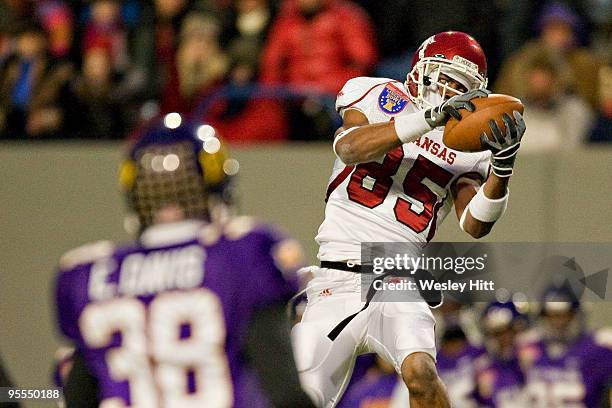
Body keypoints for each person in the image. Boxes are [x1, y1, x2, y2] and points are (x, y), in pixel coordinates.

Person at [291, 31, 527, 408]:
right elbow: (349, 147)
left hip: (396, 277)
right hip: (336, 276)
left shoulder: (469, 147)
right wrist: (428, 119)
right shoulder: (375, 94)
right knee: (302, 397)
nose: (451, 91)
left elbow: (475, 223)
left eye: (462, 86)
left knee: (421, 373)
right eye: (446, 78)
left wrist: (502, 168)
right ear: (420, 70)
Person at [53, 116, 315, 408]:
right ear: (214, 183)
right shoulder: (240, 254)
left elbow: (79, 397)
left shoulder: (92, 274)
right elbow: (284, 392)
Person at [519, 283, 612, 408]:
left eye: (563, 316)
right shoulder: (527, 347)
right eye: (551, 316)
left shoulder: (597, 348)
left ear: (575, 315)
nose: (557, 323)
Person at [473, 301, 529, 408]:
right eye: (497, 333)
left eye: (509, 331)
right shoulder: (482, 366)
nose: (504, 338)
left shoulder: (530, 357)